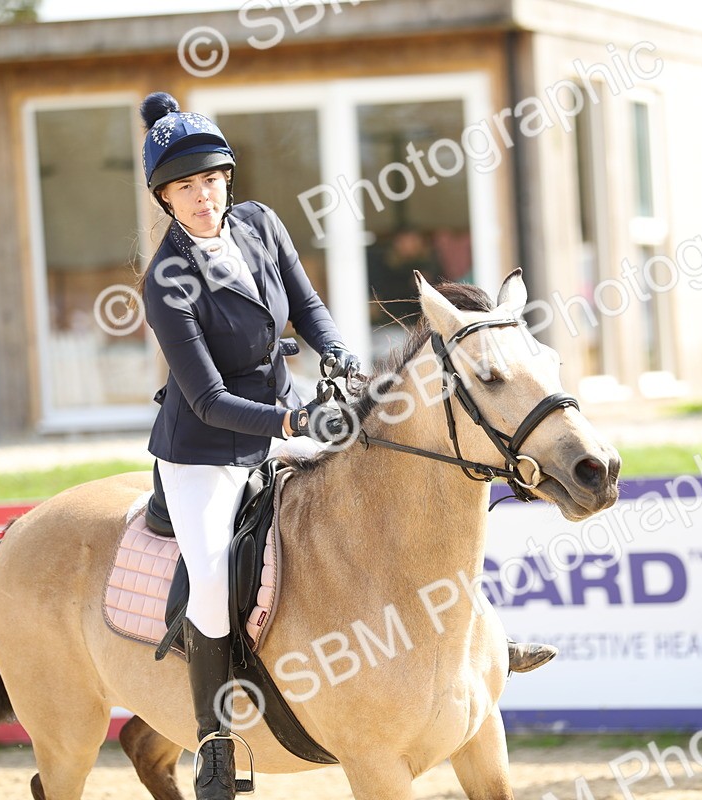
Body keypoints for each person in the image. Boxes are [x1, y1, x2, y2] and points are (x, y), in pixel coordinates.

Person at [137, 92, 555, 800]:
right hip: (206, 450)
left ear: (226, 179)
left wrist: (339, 358)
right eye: (186, 188)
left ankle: (476, 654)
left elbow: (309, 308)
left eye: (211, 181)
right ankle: (213, 743)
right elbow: (206, 399)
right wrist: (293, 427)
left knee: (382, 500)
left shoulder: (260, 226)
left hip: (283, 416)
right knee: (210, 583)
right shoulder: (164, 282)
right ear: (165, 198)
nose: (204, 197)